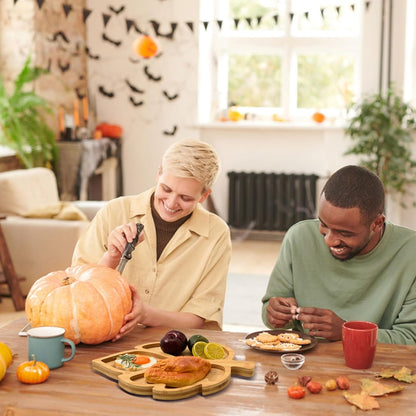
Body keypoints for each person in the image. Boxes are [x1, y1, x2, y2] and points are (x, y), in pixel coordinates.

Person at [72, 138, 231, 340]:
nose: (171, 203)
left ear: (203, 196)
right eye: (166, 189)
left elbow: (200, 317)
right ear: (158, 174)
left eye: (186, 198)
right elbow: (76, 293)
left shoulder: (216, 233)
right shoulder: (114, 212)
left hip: (173, 345)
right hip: (105, 338)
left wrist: (146, 315)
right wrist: (111, 256)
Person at [262, 165, 416, 345]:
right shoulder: (299, 237)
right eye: (324, 225)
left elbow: (410, 339)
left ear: (377, 223)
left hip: (376, 367)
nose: (329, 240)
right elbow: (270, 317)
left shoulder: (410, 253)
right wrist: (276, 314)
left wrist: (347, 332)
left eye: (345, 233)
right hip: (305, 363)